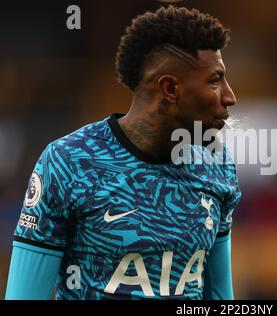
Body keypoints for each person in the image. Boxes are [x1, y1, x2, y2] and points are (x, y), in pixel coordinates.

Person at [6, 5, 241, 300]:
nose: (229, 96)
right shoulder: (69, 162)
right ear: (169, 88)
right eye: (215, 80)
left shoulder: (217, 166)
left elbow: (219, 296)